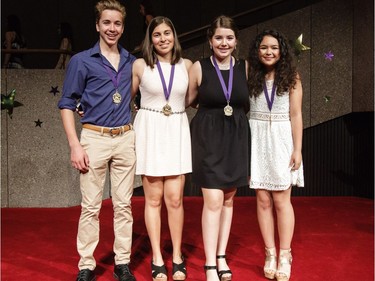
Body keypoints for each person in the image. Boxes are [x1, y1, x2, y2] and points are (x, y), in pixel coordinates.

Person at [57, 1, 137, 280]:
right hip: (93, 138)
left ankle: (122, 262)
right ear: (97, 25)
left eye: (117, 23)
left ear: (123, 27)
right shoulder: (81, 60)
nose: (111, 28)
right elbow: (67, 103)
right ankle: (87, 264)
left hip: (125, 137)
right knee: (90, 206)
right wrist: (74, 144)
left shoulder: (132, 61)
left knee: (124, 205)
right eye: (106, 23)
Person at [186, 15, 250, 281]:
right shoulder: (199, 67)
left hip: (236, 138)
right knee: (213, 200)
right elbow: (188, 100)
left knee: (228, 199)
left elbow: (247, 101)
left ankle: (222, 255)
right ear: (210, 41)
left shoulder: (245, 67)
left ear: (236, 41)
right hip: (207, 137)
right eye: (219, 38)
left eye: (229, 38)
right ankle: (210, 263)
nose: (224, 43)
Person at [132, 16, 192, 281]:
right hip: (151, 131)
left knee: (175, 200)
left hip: (176, 130)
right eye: (157, 34)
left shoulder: (187, 65)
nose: (163, 38)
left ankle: (177, 255)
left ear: (174, 35)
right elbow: (124, 100)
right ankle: (157, 257)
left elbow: (191, 99)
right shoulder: (140, 65)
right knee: (153, 200)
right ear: (150, 39)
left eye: (167, 33)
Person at [247, 29, 304, 281]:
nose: (268, 52)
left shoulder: (291, 77)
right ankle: (269, 253)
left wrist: (297, 149)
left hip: (281, 139)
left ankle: (284, 254)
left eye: (273, 48)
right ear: (257, 51)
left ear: (281, 51)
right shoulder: (250, 76)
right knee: (262, 200)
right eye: (263, 48)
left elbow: (296, 115)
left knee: (281, 200)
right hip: (257, 137)